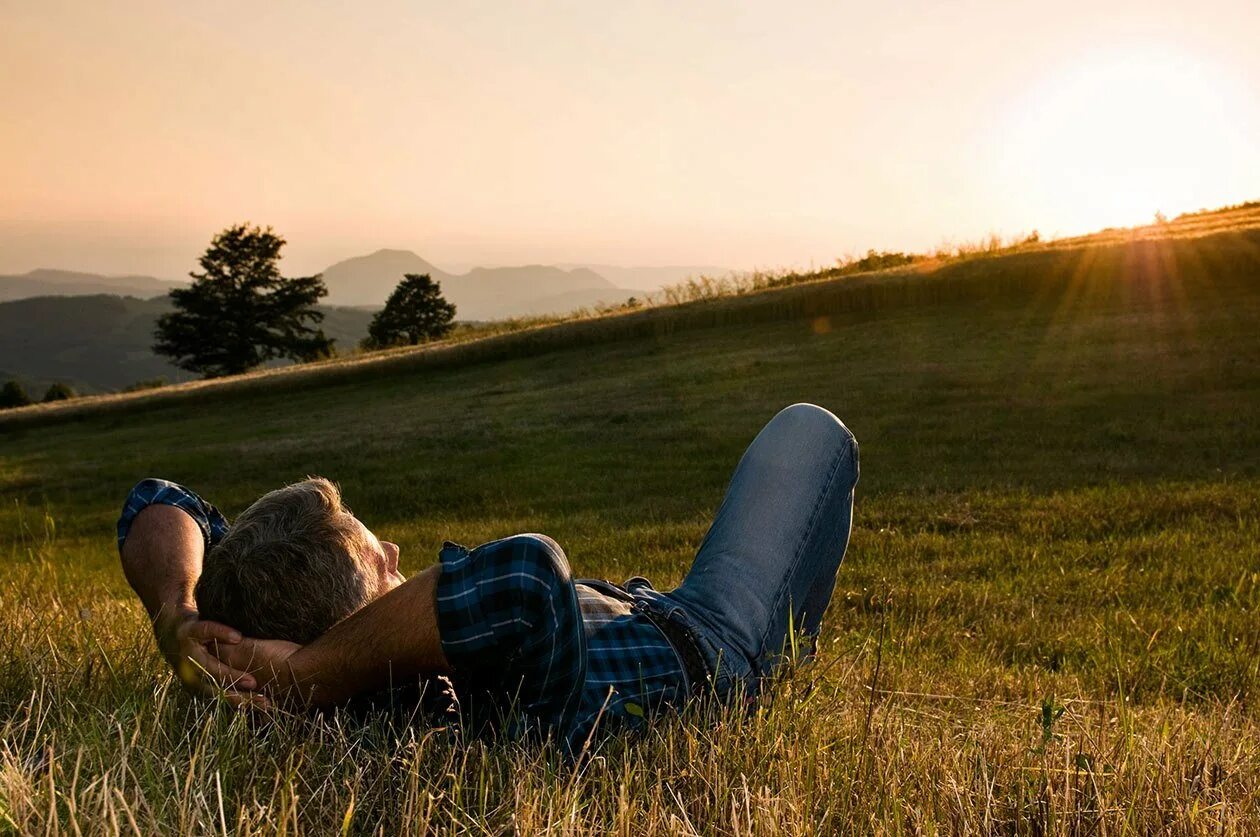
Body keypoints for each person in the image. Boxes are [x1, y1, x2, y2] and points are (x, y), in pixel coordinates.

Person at [119, 403, 859, 751]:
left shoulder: (251, 611)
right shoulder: (454, 702)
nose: (401, 554)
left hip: (635, 603)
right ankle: (783, 652)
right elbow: (529, 573)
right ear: (363, 622)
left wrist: (176, 613)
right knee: (811, 432)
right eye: (386, 563)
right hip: (713, 642)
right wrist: (312, 673)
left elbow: (156, 499)